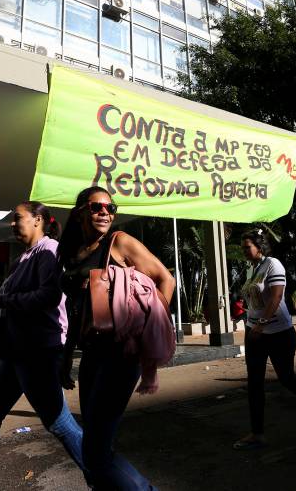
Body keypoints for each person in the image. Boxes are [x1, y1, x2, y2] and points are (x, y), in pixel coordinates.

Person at [0, 201, 84, 490]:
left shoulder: (50, 251)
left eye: (17, 218)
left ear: (38, 220)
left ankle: (111, 477)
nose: (12, 224)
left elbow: (48, 296)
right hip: (15, 353)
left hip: (36, 352)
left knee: (59, 423)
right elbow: (10, 298)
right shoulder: (23, 258)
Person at [58, 186, 175, 490]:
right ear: (80, 211)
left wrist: (149, 328)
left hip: (121, 354)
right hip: (92, 354)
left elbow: (166, 279)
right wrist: (67, 355)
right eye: (97, 207)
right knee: (94, 446)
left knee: (95, 452)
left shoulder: (119, 242)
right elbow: (76, 310)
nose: (105, 213)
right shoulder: (72, 252)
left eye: (110, 208)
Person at [233, 230, 296, 451]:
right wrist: (250, 323)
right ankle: (257, 434)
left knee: (286, 378)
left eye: (247, 247)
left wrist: (262, 323)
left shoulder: (273, 264)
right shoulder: (252, 269)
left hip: (278, 333)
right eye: (243, 248)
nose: (244, 251)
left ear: (260, 247)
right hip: (254, 333)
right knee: (254, 383)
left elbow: (276, 296)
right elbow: (255, 300)